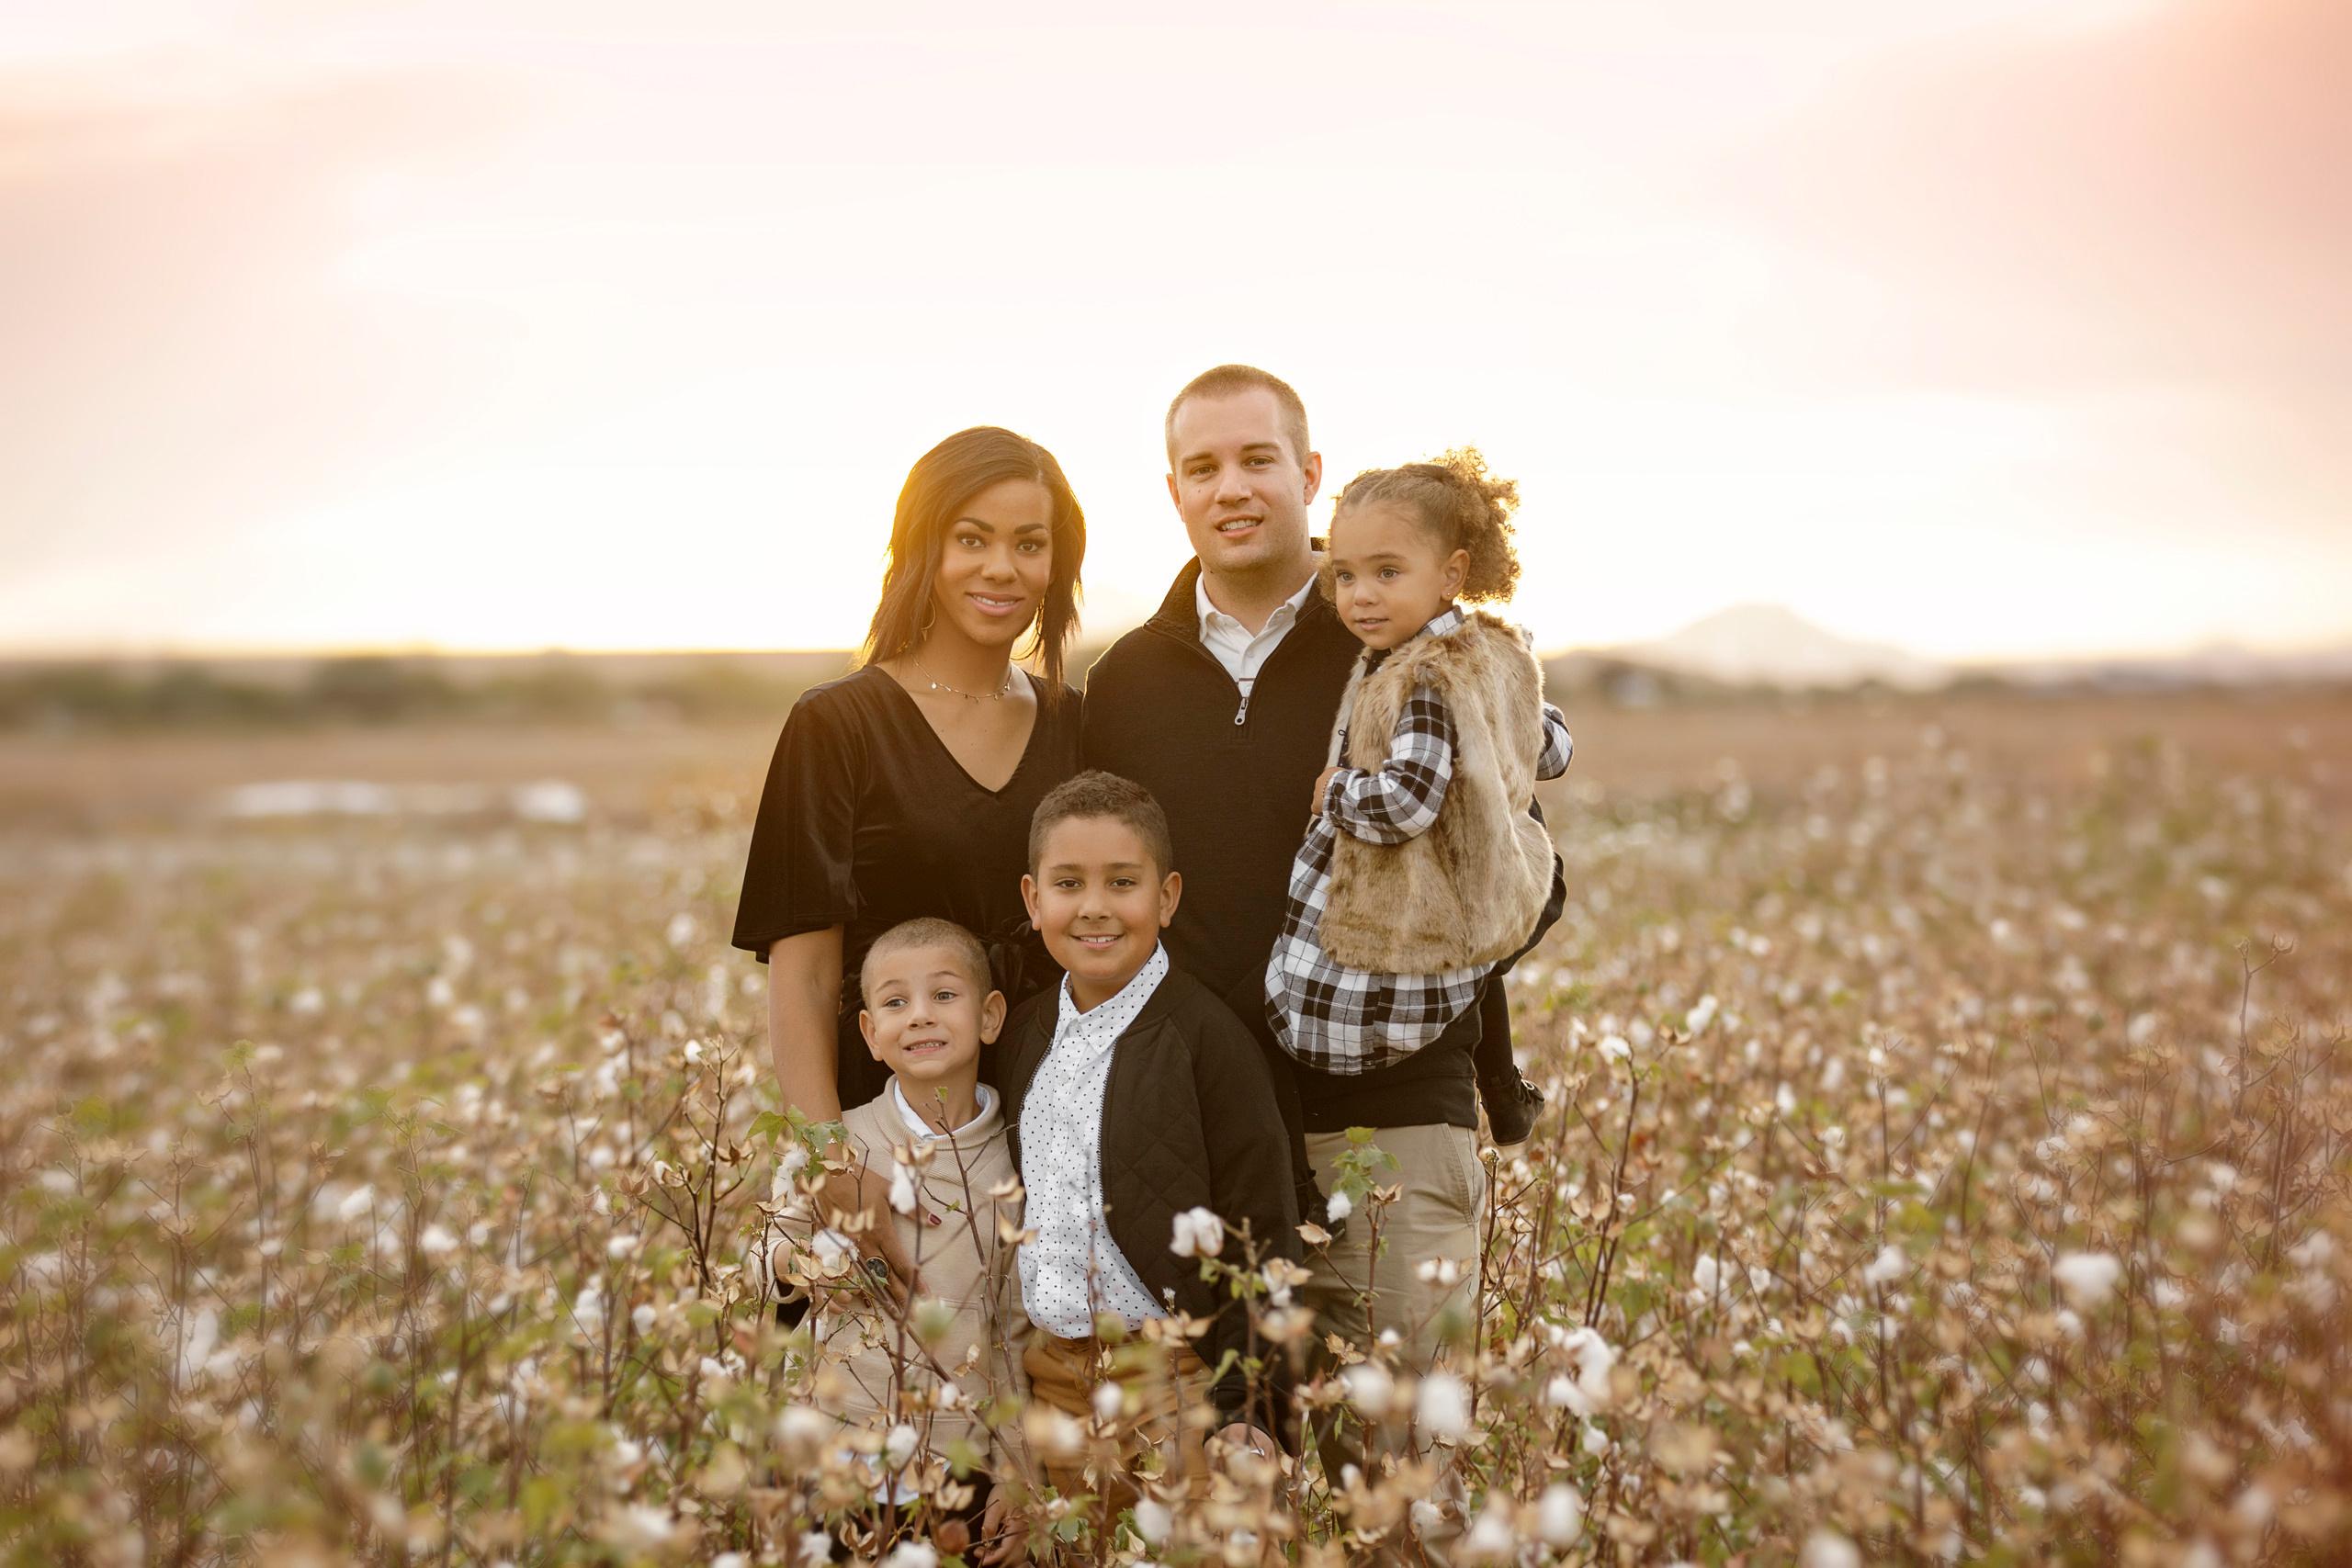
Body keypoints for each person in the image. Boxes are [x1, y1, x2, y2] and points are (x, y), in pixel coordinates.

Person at [1268, 447, 1574, 1560]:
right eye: (1342, 574)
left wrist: (1333, 792)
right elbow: (1551, 739)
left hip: (1390, 1098)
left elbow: (1403, 798)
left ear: (1452, 571)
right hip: (1304, 1119)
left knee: (1393, 1474)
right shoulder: (1491, 659)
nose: (1356, 596)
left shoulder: (1423, 675)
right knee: (1377, 1466)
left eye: (1383, 573)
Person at [732, 426, 1088, 1293]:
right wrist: (833, 1161)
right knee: (886, 1400)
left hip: (1046, 1137)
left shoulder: (1077, 723)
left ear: (1056, 567)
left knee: (1027, 1406)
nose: (1001, 567)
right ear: (922, 550)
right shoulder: (837, 725)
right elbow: (806, 973)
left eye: (1029, 544)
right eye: (972, 538)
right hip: (889, 1135)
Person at [995, 772, 1298, 1515]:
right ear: (1034, 901)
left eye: (1121, 882)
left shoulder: (1209, 1040)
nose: (1094, 905)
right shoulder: (1023, 1035)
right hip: (1055, 1383)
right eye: (1069, 883)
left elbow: (1261, 1229)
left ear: (1165, 897)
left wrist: (1251, 1408)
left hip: (1180, 1380)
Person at [744, 918, 1029, 1563]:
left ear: (989, 1016)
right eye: (896, 1002)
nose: (920, 1017)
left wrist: (1016, 1467)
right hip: (834, 1452)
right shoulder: (836, 1143)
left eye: (944, 996)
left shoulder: (1013, 1161)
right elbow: (759, 1254)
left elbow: (1013, 1332)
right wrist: (808, 1266)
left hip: (959, 1465)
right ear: (870, 1034)